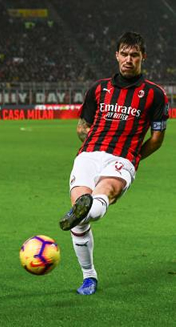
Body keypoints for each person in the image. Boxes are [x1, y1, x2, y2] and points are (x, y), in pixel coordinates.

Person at [59, 32, 169, 295]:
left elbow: (157, 139)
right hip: (88, 155)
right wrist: (95, 139)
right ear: (116, 55)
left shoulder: (155, 94)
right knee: (80, 216)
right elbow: (81, 126)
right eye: (124, 53)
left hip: (122, 159)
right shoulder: (98, 89)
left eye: (134, 55)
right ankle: (89, 277)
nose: (128, 59)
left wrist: (132, 156)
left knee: (102, 196)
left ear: (143, 56)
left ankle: (88, 208)